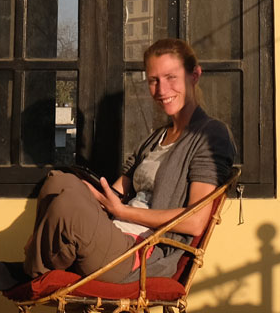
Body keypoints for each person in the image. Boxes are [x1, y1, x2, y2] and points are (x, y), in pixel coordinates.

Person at [23, 38, 237, 281]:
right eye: (153, 81)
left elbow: (195, 222)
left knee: (66, 204)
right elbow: (115, 193)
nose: (161, 90)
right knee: (59, 182)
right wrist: (94, 197)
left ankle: (33, 271)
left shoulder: (211, 134)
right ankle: (39, 264)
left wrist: (123, 211)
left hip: (138, 253)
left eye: (171, 77)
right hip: (112, 233)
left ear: (194, 75)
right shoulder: (155, 138)